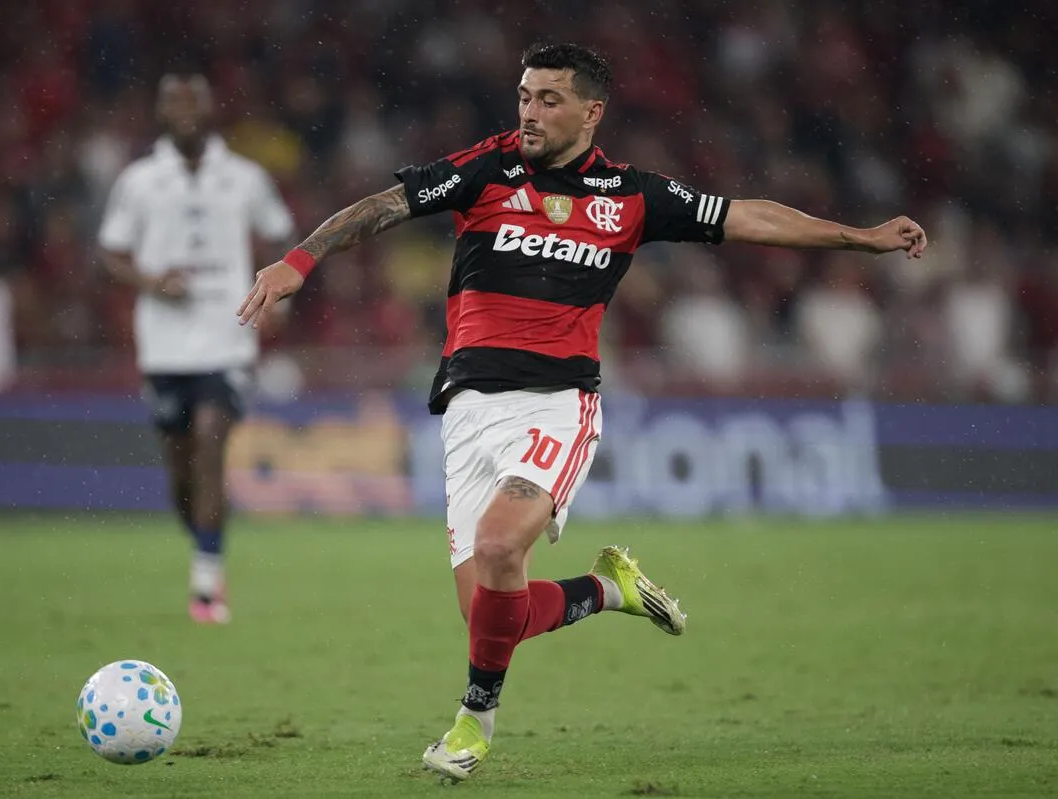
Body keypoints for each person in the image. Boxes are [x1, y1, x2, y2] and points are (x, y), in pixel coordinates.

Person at [236, 42, 928, 781]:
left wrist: (858, 238)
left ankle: (472, 725)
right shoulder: (485, 169)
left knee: (502, 547)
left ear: (591, 111)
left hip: (557, 404)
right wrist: (297, 262)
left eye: (549, 100)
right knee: (491, 616)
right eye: (525, 96)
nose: (530, 112)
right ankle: (608, 589)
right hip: (468, 408)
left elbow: (746, 216)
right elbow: (383, 206)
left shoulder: (631, 195)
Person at [99, 74, 297, 624]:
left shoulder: (244, 178)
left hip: (227, 339)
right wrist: (150, 281)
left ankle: (206, 588)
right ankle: (207, 542)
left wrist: (278, 292)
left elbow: (284, 235)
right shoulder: (139, 181)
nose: (184, 111)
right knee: (181, 478)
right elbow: (111, 253)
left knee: (211, 444)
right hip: (163, 350)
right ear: (160, 111)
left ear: (210, 110)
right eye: (173, 102)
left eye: (193, 102)